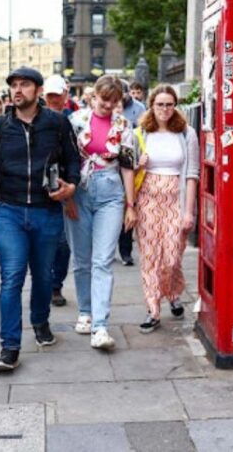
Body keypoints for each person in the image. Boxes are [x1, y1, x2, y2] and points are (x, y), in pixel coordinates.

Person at [0, 67, 80, 371]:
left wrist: (71, 186)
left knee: (44, 275)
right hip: (10, 211)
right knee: (12, 277)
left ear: (37, 90)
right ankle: (10, 346)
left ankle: (40, 321)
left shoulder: (58, 123)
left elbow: (73, 160)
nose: (17, 90)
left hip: (47, 211)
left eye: (24, 85)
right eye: (14, 86)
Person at [65, 75, 136, 349]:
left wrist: (131, 205)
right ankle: (85, 311)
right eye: (104, 99)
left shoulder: (124, 125)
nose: (108, 105)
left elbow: (128, 165)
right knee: (82, 258)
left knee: (103, 259)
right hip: (80, 191)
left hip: (111, 192)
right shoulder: (75, 121)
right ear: (93, 96)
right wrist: (67, 197)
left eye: (114, 100)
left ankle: (101, 326)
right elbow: (66, 159)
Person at [134, 84, 199, 333]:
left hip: (176, 200)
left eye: (169, 104)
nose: (164, 109)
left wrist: (189, 211)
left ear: (175, 106)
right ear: (151, 105)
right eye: (160, 104)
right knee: (150, 257)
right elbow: (130, 171)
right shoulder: (141, 132)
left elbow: (192, 174)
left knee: (171, 258)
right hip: (148, 201)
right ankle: (153, 309)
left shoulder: (186, 133)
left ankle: (172, 291)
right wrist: (139, 165)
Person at [43, 75, 73, 307]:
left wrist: (72, 186)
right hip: (39, 189)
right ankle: (43, 281)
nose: (53, 100)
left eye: (57, 95)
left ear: (66, 95)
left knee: (63, 243)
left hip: (67, 188)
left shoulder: (76, 120)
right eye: (49, 95)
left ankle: (55, 285)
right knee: (42, 242)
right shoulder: (36, 119)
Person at [117, 79, 146, 266]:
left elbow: (143, 133)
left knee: (128, 206)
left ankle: (126, 252)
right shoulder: (110, 110)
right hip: (111, 165)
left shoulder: (139, 108)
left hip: (132, 159)